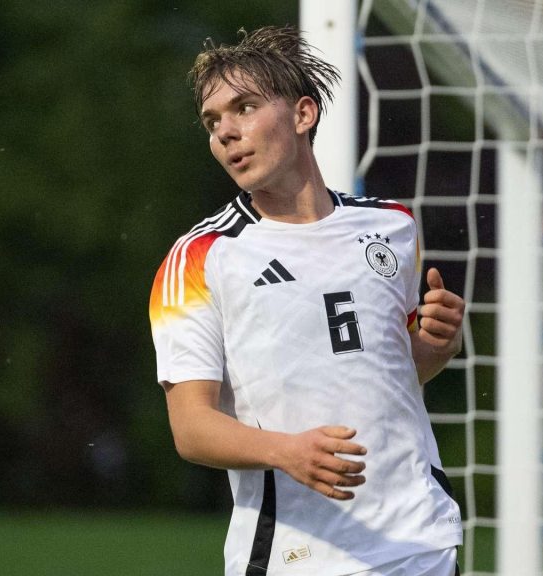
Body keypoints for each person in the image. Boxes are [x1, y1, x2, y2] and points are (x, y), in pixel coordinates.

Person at [149, 26, 466, 576]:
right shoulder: (200, 257)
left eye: (244, 108)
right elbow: (191, 428)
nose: (226, 132)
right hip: (297, 556)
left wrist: (438, 346)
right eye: (212, 121)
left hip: (419, 540)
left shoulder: (393, 227)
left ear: (302, 114)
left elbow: (385, 376)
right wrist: (285, 451)